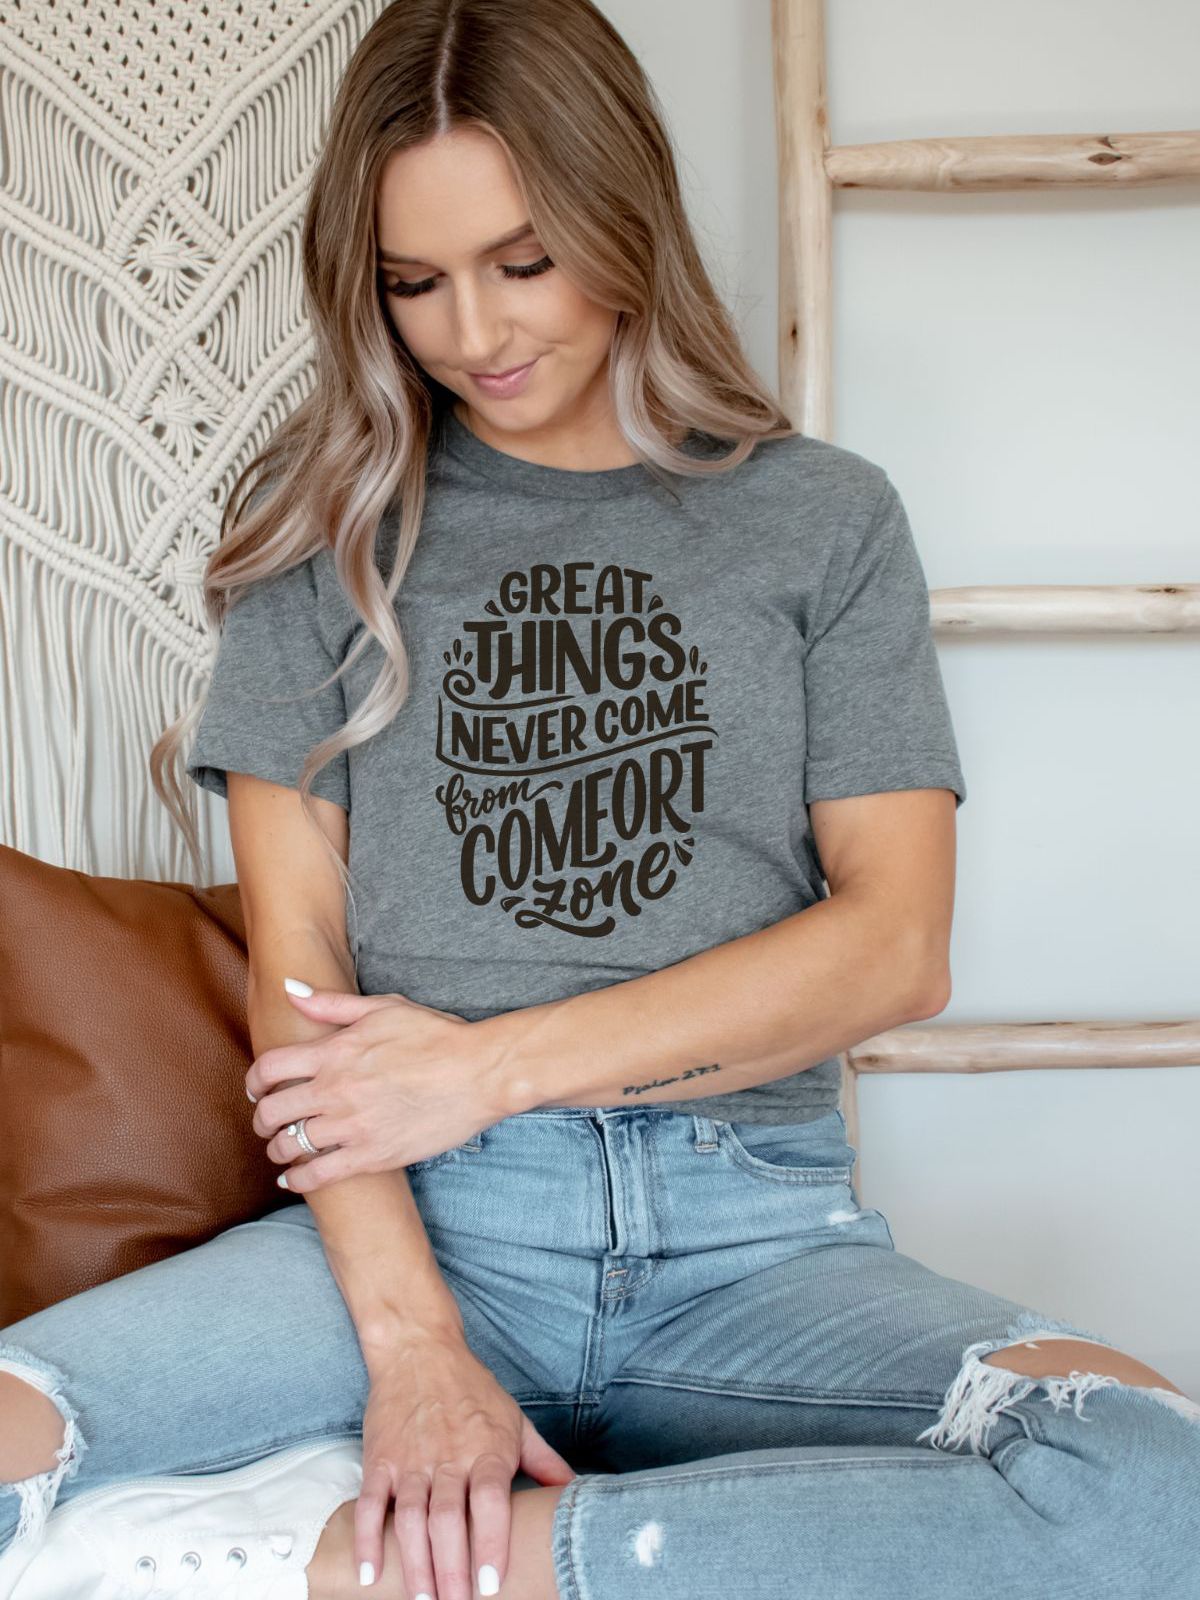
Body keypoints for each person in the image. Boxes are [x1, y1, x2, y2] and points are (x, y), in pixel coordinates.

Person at [3, 2, 1198, 1597]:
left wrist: (486, 1072)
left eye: (523, 261)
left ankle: (469, 1563)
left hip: (756, 1247)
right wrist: (416, 1348)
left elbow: (897, 946)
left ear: (623, 214)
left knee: (1149, 1478)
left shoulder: (820, 521)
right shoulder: (322, 540)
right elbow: (307, 1002)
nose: (472, 333)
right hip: (415, 1238)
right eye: (412, 283)